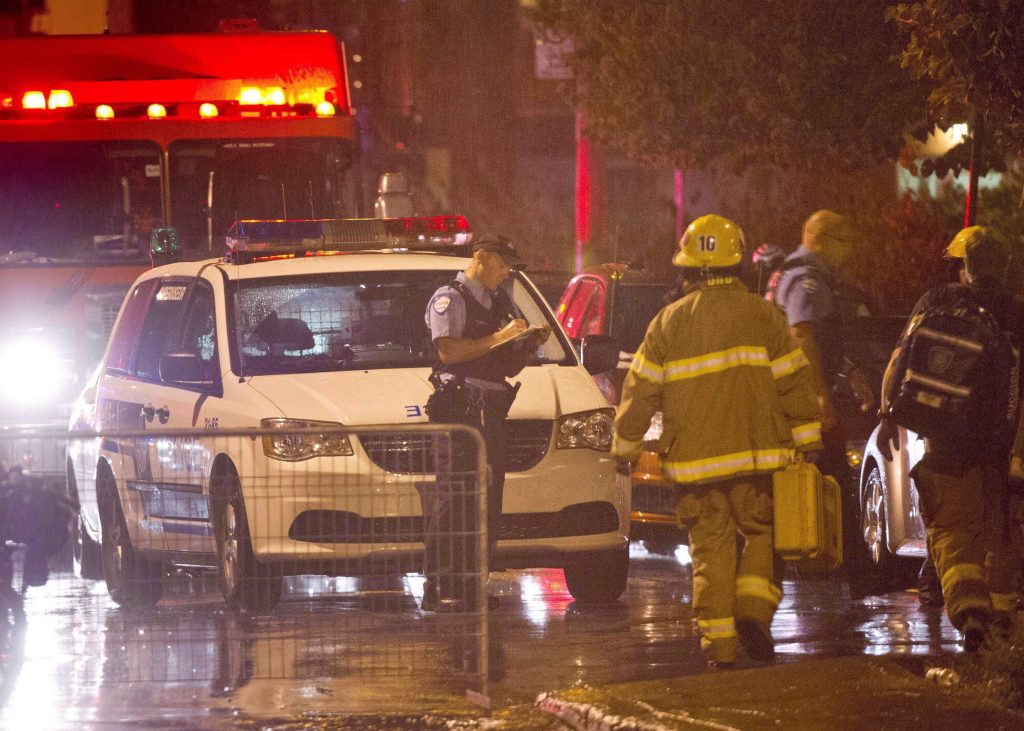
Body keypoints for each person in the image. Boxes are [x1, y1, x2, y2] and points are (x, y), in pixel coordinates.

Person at [613, 214, 822, 667]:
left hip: (696, 466)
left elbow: (640, 390)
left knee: (710, 551)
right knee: (765, 535)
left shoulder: (667, 323)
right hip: (758, 460)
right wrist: (808, 439)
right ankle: (752, 609)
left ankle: (720, 649)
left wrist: (625, 447)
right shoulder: (765, 316)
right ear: (738, 264)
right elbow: (794, 382)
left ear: (688, 268)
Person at [878, 226, 1024, 650]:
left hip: (947, 437)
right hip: (1007, 439)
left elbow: (899, 361)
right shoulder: (1017, 310)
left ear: (963, 267)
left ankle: (969, 609)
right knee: (1001, 532)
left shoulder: (937, 302)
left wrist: (889, 416)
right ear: (1007, 265)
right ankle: (998, 624)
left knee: (952, 527)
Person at [421, 236, 548, 612]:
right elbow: (448, 350)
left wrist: (524, 345)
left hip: (490, 412)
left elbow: (501, 364)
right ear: (481, 258)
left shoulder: (496, 302)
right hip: (460, 413)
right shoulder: (451, 297)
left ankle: (474, 583)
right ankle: (440, 586)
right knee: (454, 499)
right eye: (503, 264)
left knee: (488, 501)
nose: (507, 272)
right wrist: (500, 336)